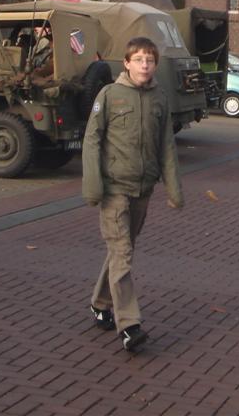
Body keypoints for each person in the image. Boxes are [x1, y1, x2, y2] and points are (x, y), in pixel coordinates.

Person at [82, 37, 183, 353]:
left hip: (143, 189)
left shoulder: (159, 98)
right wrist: (92, 185)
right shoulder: (109, 95)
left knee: (121, 253)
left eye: (149, 60)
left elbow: (166, 145)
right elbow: (92, 140)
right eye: (138, 59)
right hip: (114, 189)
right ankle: (129, 325)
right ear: (126, 63)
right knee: (122, 252)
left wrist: (174, 189)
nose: (144, 65)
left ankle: (101, 303)